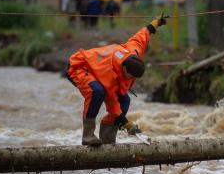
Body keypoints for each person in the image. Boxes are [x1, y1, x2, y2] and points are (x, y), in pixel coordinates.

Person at [66, 14, 168, 146]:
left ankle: (107, 138)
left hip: (96, 69)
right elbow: (112, 104)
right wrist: (126, 123)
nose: (132, 80)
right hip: (78, 66)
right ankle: (88, 136)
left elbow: (141, 36)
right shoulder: (110, 75)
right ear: (124, 69)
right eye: (131, 77)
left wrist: (154, 24)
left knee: (125, 100)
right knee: (97, 92)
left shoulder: (134, 51)